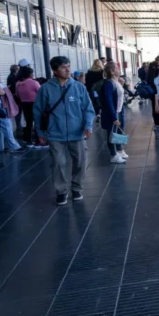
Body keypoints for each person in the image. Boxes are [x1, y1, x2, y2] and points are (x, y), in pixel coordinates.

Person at [34, 56, 95, 206]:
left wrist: (88, 125)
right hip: (55, 133)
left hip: (77, 132)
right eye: (63, 67)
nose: (68, 70)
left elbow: (88, 108)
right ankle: (61, 191)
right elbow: (38, 111)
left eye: (68, 66)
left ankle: (76, 188)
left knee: (80, 162)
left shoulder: (78, 87)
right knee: (58, 163)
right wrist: (40, 133)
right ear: (55, 70)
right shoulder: (46, 89)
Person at [100, 62, 128, 164]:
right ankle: (113, 154)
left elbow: (119, 95)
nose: (119, 69)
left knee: (119, 131)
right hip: (113, 113)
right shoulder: (109, 83)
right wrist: (114, 117)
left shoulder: (116, 82)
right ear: (112, 72)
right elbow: (108, 101)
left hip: (119, 111)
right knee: (112, 133)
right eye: (117, 68)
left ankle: (119, 150)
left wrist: (122, 84)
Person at [0, 64, 23, 153]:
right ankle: (14, 146)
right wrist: (6, 89)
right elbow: (0, 92)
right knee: (6, 125)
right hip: (0, 105)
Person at [15, 66, 41, 148]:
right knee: (37, 122)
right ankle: (38, 141)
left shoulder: (18, 83)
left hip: (24, 104)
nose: (33, 75)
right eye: (32, 73)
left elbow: (17, 95)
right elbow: (41, 93)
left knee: (29, 123)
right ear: (29, 74)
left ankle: (28, 140)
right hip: (35, 103)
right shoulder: (34, 82)